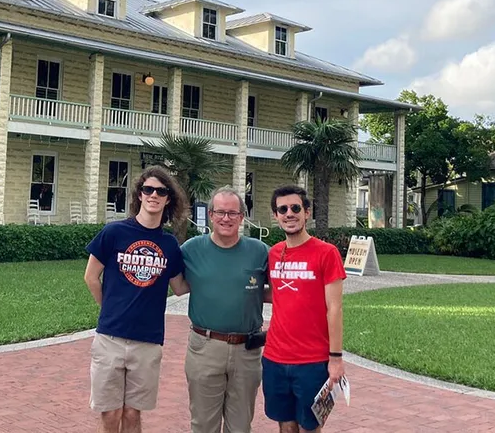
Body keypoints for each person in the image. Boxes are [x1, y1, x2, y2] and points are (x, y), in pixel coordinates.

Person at [84, 165, 189, 433]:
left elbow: (179, 287)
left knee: (132, 413)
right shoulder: (114, 233)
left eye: (161, 191)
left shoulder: (169, 245)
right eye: (148, 189)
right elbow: (91, 277)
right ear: (140, 195)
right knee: (110, 412)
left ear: (168, 199)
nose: (154, 195)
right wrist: (108, 308)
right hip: (110, 338)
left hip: (148, 341)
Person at [178, 186, 269, 433]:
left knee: (240, 426)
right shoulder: (191, 250)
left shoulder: (259, 251)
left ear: (242, 217)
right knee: (204, 424)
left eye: (232, 213)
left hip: (247, 351)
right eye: (220, 212)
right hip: (205, 347)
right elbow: (174, 285)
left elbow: (278, 289)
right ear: (210, 215)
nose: (226, 218)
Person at [262, 185, 346, 433]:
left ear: (307, 212)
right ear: (276, 216)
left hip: (313, 361)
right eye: (282, 209)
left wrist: (336, 359)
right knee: (285, 425)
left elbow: (335, 308)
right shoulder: (274, 254)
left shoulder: (326, 253)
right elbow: (278, 293)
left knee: (310, 427)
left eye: (295, 208)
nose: (289, 213)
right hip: (275, 358)